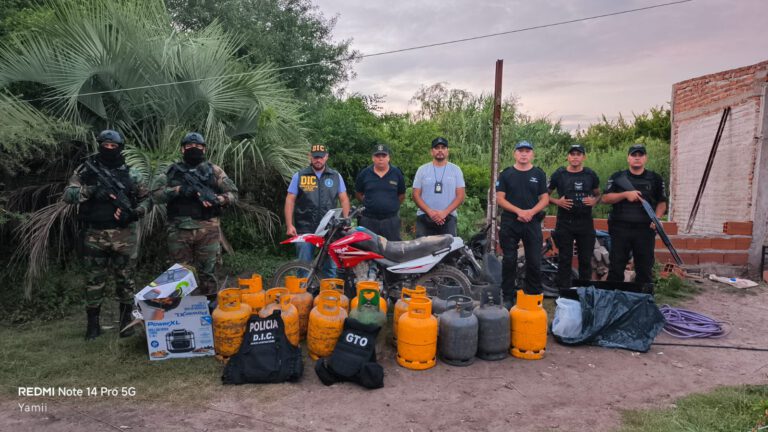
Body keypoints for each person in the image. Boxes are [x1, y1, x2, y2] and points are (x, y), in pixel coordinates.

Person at [62, 129, 150, 340]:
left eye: (113, 146)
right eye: (105, 145)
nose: (109, 149)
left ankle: (126, 323)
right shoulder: (86, 170)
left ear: (120, 148)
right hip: (95, 233)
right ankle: (93, 326)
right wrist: (91, 191)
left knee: (126, 279)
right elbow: (68, 195)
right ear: (100, 145)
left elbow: (148, 199)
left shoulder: (131, 173)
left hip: (125, 234)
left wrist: (134, 213)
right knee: (94, 280)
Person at [152, 132, 238, 301]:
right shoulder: (172, 171)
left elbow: (233, 194)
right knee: (179, 274)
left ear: (204, 149)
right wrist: (178, 190)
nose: (194, 149)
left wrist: (218, 199)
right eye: (189, 146)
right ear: (182, 149)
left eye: (198, 146)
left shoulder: (214, 171)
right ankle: (181, 311)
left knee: (209, 274)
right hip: (179, 230)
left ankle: (209, 308)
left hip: (208, 230)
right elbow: (155, 195)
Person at [602, 144, 668, 284]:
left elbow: (662, 203)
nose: (637, 158)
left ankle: (643, 296)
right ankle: (613, 295)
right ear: (628, 158)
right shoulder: (617, 177)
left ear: (645, 158)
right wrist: (625, 195)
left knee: (644, 269)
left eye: (640, 155)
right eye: (634, 155)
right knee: (616, 268)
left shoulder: (655, 178)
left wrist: (656, 218)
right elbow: (605, 198)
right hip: (620, 229)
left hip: (645, 230)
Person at [284, 144, 350, 277]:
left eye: (321, 157)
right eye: (315, 157)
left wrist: (345, 220)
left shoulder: (335, 176)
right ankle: (304, 290)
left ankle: (328, 291)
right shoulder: (299, 176)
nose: (318, 160)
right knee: (303, 267)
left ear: (326, 157)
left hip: (329, 230)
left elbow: (344, 199)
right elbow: (290, 200)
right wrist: (289, 225)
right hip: (305, 228)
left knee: (330, 269)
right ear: (310, 157)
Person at [496, 140, 549, 305]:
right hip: (510, 221)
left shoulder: (539, 174)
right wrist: (519, 211)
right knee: (509, 260)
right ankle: (507, 297)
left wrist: (530, 212)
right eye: (520, 151)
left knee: (534, 260)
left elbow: (545, 198)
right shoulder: (506, 174)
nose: (524, 154)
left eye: (527, 151)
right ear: (515, 154)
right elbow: (500, 199)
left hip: (532, 222)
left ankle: (532, 296)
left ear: (532, 154)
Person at [547, 144, 601, 289]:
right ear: (568, 157)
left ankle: (584, 292)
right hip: (565, 222)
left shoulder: (590, 174)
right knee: (564, 259)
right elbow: (544, 195)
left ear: (583, 157)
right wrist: (557, 202)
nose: (575, 157)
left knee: (585, 259)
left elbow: (598, 194)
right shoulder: (559, 174)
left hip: (585, 223)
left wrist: (594, 201)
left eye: (578, 154)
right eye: (572, 154)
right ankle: (564, 292)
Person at [412, 137, 465, 237]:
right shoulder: (422, 170)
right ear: (431, 152)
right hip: (425, 217)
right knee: (424, 247)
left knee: (449, 247)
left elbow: (460, 196)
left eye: (443, 148)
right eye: (437, 148)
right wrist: (430, 212)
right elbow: (415, 195)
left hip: (448, 217)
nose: (440, 150)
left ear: (447, 151)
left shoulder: (456, 170)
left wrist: (444, 212)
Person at [355, 143, 406, 241]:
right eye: (377, 156)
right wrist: (369, 203)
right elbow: (358, 193)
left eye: (384, 156)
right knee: (366, 248)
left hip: (390, 221)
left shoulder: (396, 173)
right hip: (369, 220)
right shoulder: (365, 173)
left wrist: (391, 206)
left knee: (393, 248)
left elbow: (402, 195)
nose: (381, 158)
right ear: (373, 158)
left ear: (388, 158)